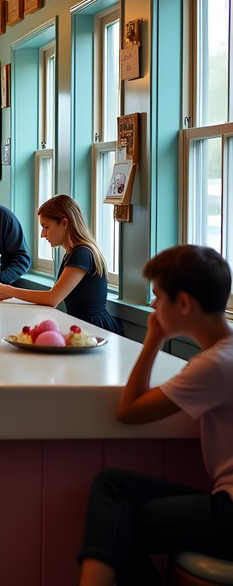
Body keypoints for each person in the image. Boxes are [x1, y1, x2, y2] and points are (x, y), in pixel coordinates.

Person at [77, 245, 233, 586]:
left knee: (119, 514)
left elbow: (128, 411)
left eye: (158, 296)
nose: (152, 305)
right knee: (114, 488)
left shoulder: (214, 364)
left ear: (184, 304)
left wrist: (154, 338)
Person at [0, 194, 121, 335]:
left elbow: (53, 299)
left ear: (64, 223)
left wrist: (11, 291)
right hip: (82, 326)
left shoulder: (82, 253)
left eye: (46, 227)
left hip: (94, 328)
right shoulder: (72, 254)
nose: (42, 234)